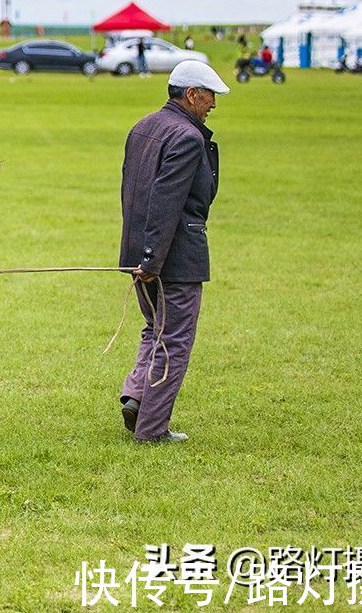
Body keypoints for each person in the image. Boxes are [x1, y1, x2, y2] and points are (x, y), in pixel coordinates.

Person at [117, 60, 226, 444]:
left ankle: (136, 396)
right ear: (192, 94)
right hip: (173, 258)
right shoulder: (187, 138)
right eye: (210, 96)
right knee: (175, 338)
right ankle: (151, 429)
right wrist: (153, 259)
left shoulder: (143, 126)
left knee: (156, 329)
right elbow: (167, 201)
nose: (214, 104)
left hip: (140, 251)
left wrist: (138, 254)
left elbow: (131, 193)